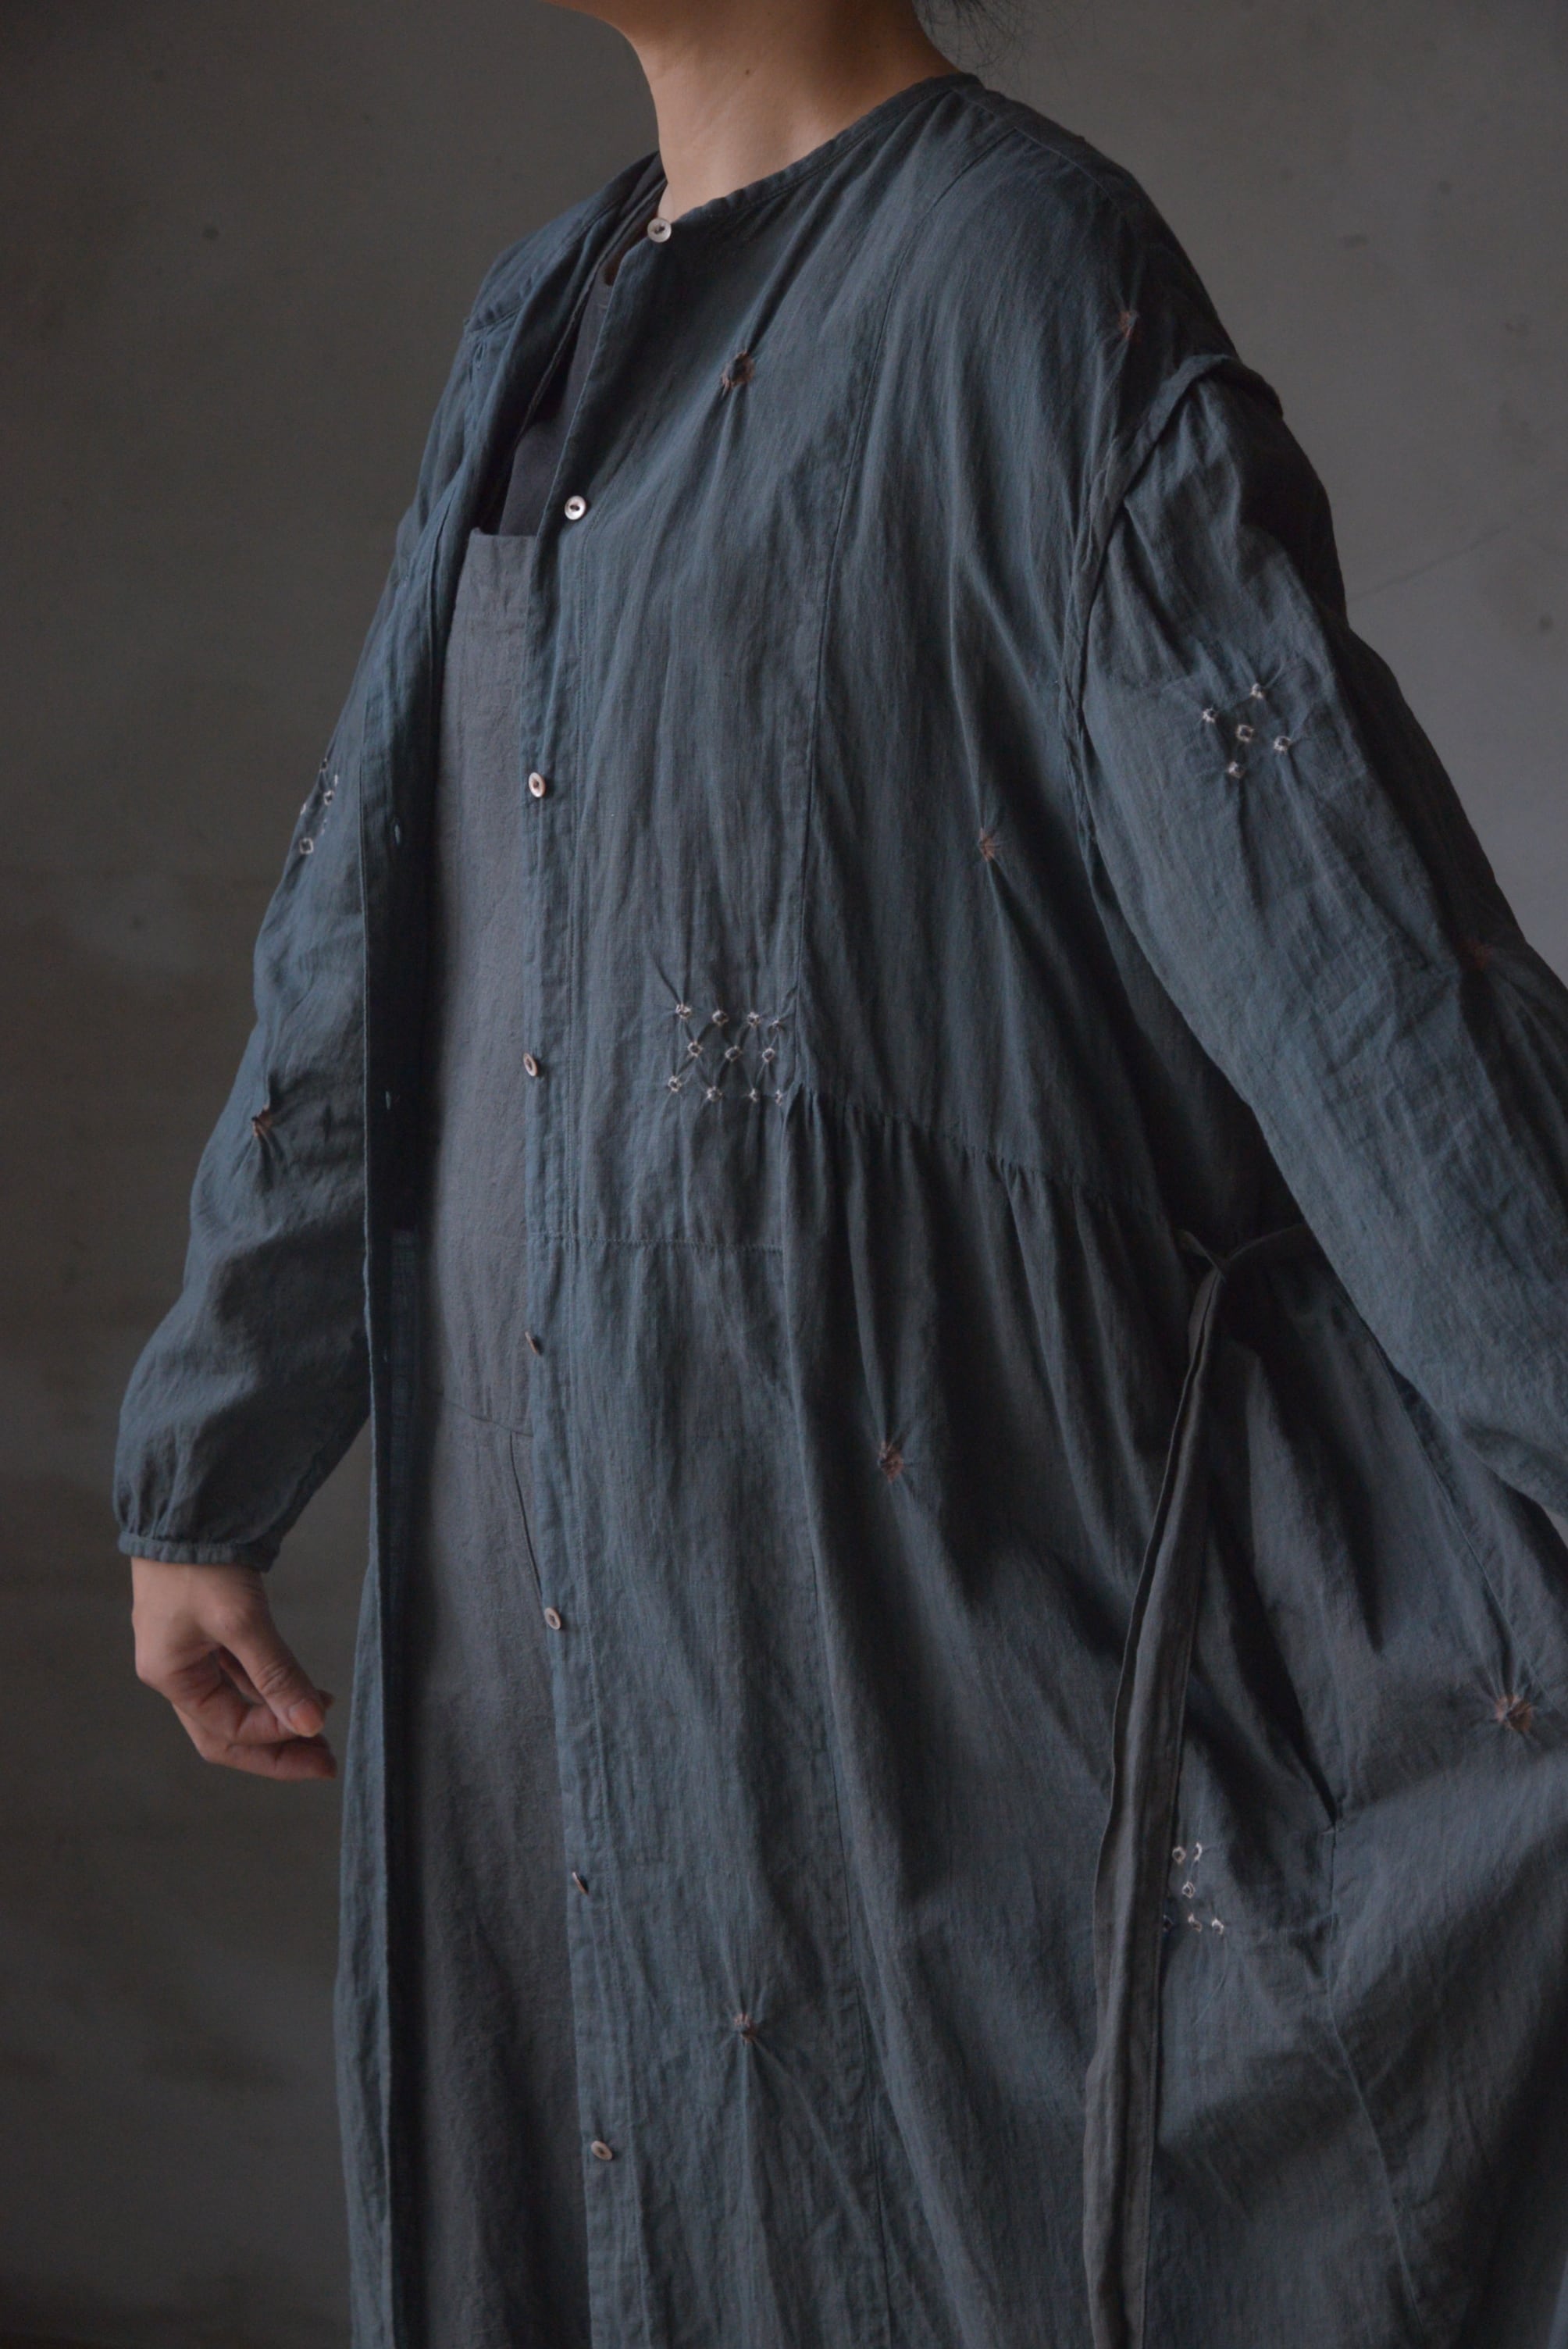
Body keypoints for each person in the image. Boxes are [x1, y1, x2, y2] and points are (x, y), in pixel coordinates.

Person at [117, 0, 1568, 2342]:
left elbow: (1352, 946)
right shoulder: (541, 308)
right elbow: (372, 899)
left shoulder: (1022, 274)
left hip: (893, 1625)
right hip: (534, 1624)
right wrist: (215, 1452)